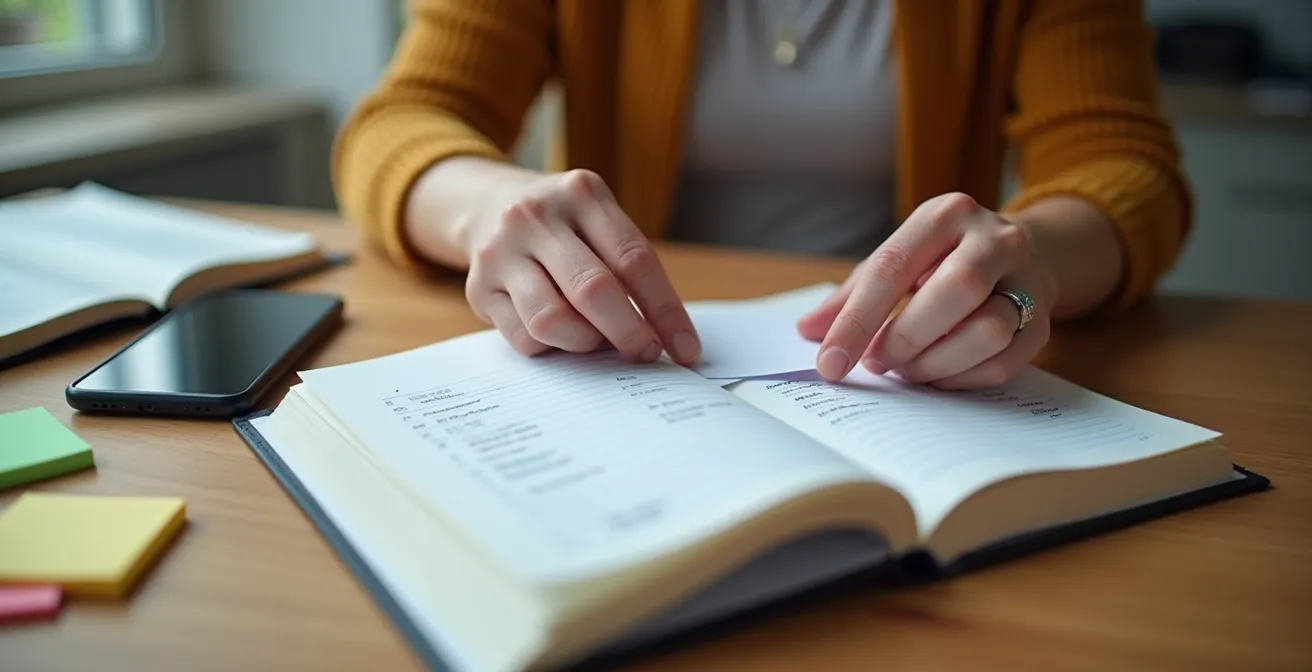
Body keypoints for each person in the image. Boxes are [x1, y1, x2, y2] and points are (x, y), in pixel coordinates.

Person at [332, 0, 1190, 390]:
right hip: (626, 369)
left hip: (901, 376)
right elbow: (400, 123)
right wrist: (490, 205)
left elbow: (1124, 166)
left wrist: (1030, 258)